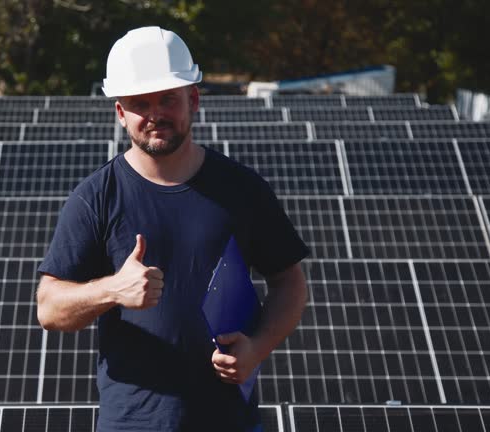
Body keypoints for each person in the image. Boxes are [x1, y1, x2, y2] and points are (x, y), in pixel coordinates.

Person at [36, 26, 309, 432]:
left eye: (168, 99)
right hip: (132, 423)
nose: (155, 114)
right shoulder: (95, 197)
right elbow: (49, 307)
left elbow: (290, 283)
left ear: (193, 100)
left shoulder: (243, 189)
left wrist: (257, 348)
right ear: (120, 113)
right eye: (139, 103)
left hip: (230, 421)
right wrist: (114, 289)